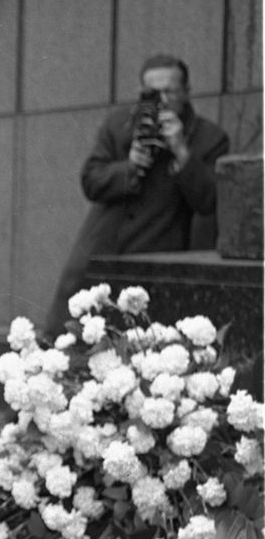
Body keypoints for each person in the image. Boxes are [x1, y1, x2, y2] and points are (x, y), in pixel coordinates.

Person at [44, 54, 230, 334]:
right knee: (77, 339)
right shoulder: (119, 125)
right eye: (153, 92)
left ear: (187, 92)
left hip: (162, 259)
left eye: (170, 91)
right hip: (106, 250)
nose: (162, 100)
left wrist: (181, 151)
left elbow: (208, 201)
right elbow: (90, 181)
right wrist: (129, 167)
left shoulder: (209, 137)